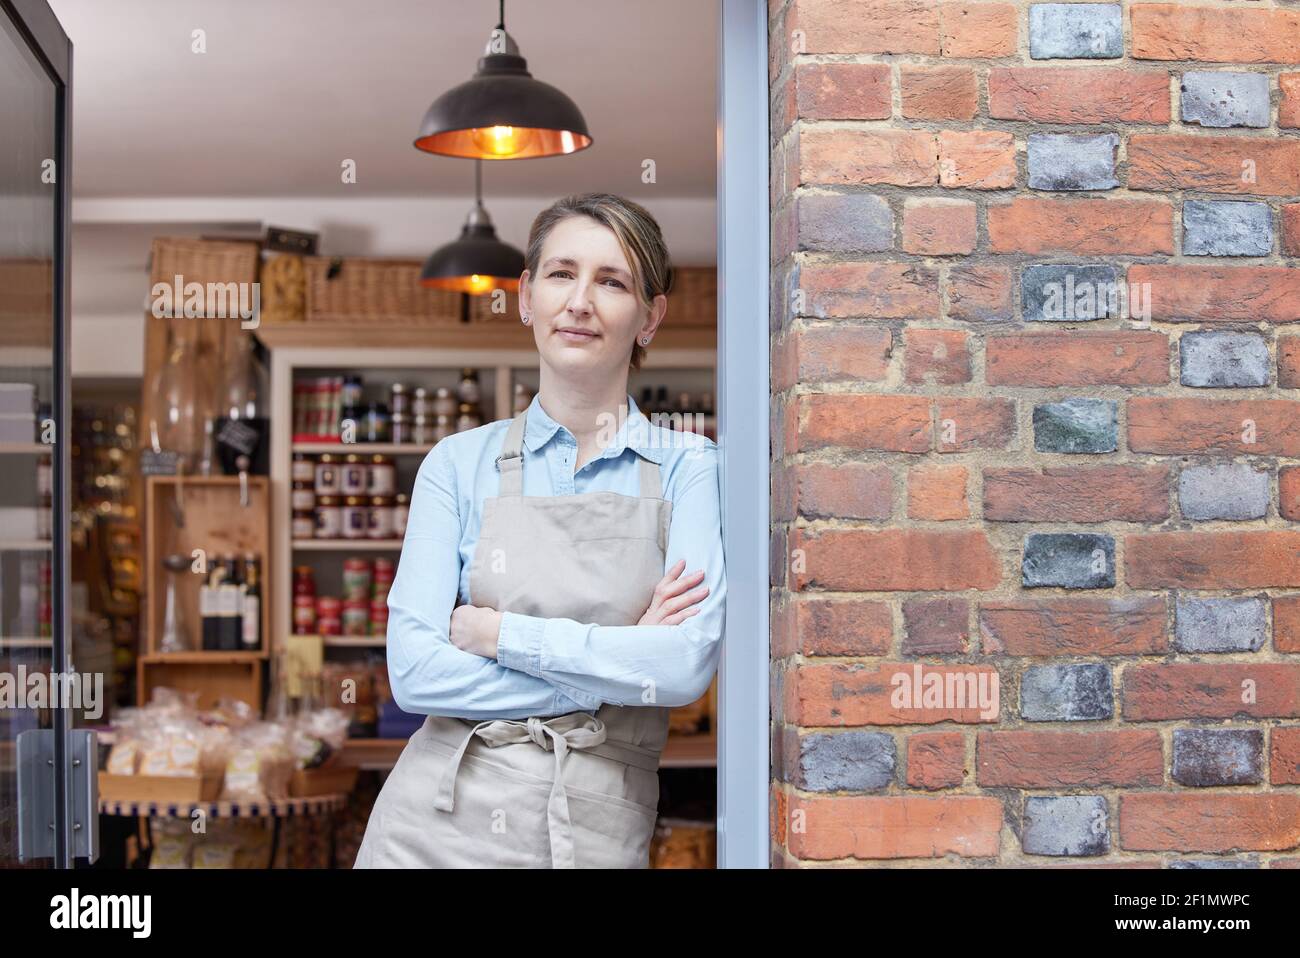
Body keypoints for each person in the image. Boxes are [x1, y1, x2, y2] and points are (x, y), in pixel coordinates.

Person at [353, 192, 726, 868]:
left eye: (612, 282)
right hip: (430, 828)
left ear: (650, 316)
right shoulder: (458, 464)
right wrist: (607, 671)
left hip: (593, 833)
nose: (580, 301)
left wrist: (501, 637)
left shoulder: (689, 468)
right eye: (561, 274)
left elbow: (682, 668)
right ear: (526, 297)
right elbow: (414, 675)